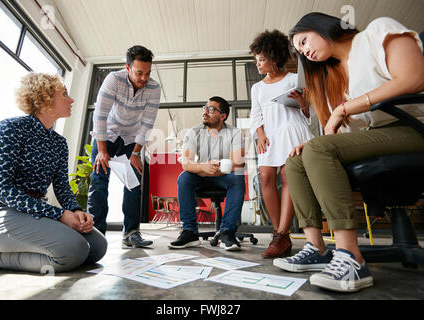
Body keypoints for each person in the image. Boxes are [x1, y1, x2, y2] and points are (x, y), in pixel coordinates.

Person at [273, 12, 424, 292]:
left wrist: (346, 108)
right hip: (373, 138)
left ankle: (350, 257)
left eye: (304, 41)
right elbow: (343, 133)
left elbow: (415, 78)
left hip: (412, 129)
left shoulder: (376, 32)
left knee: (317, 149)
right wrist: (316, 142)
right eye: (299, 50)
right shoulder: (332, 75)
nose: (304, 51)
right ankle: (316, 247)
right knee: (295, 161)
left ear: (320, 26)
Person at [0, 73, 107, 273]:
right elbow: (2, 189)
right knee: (74, 250)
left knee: (97, 247)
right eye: (64, 94)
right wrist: (60, 214)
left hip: (31, 210)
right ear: (44, 99)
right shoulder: (10, 128)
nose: (71, 100)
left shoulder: (59, 143)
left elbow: (62, 186)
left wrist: (76, 211)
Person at [87, 45, 161, 248]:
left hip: (131, 138)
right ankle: (96, 232)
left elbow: (147, 123)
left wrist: (136, 152)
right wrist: (102, 151)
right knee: (99, 181)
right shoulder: (114, 79)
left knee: (133, 183)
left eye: (147, 73)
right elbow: (100, 115)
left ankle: (131, 233)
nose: (144, 78)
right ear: (127, 68)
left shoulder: (154, 88)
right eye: (139, 73)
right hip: (107, 135)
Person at [249, 30, 314, 259]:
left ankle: (280, 235)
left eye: (262, 59)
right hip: (270, 135)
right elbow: (255, 115)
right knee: (265, 177)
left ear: (274, 58)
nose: (257, 63)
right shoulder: (257, 88)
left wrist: (305, 105)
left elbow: (309, 115)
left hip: (292, 131)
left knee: (288, 178)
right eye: (256, 59)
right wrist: (260, 134)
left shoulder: (293, 79)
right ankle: (281, 236)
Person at [169, 97, 246, 251]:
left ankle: (227, 232)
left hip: (223, 176)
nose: (205, 112)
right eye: (205, 108)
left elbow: (238, 163)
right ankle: (190, 231)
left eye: (211, 109)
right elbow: (186, 163)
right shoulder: (194, 132)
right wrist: (203, 167)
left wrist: (215, 169)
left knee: (237, 176)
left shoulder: (234, 132)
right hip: (202, 175)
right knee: (184, 178)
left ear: (222, 116)